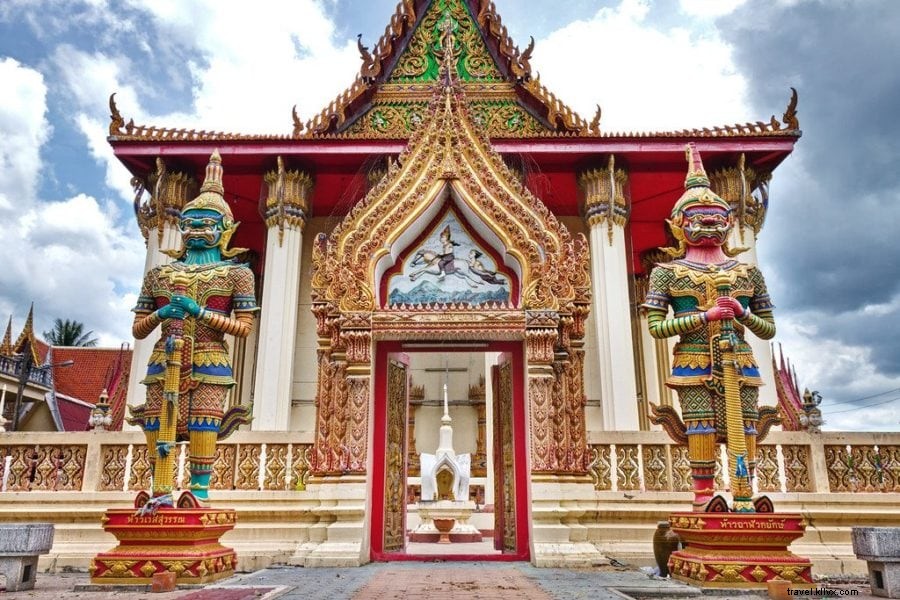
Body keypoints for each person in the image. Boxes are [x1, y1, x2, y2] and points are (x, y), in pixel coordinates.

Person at [642, 143, 775, 511]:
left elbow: (768, 328)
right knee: (700, 428)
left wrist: (741, 314)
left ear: (729, 221)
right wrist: (705, 316)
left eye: (716, 217)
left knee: (746, 427)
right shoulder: (667, 273)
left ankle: (745, 493)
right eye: (698, 218)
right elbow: (657, 327)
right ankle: (704, 496)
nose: (708, 224)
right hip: (693, 360)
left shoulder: (747, 272)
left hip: (741, 360)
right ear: (679, 225)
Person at [131, 150, 258, 505]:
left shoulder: (237, 274)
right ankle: (161, 490)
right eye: (191, 223)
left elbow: (243, 328)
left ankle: (198, 491)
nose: (197, 230)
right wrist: (163, 314)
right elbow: (139, 328)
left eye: (207, 223)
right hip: (163, 357)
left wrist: (197, 312)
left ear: (224, 230)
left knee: (204, 425)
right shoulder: (160, 274)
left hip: (209, 358)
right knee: (158, 425)